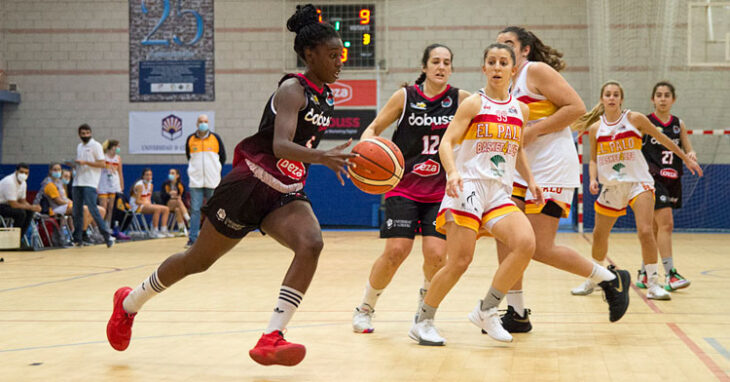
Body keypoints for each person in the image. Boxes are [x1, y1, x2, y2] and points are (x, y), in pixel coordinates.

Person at [106, 4, 353, 367]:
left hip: (285, 190)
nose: (339, 62)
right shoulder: (292, 90)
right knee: (197, 261)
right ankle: (129, 304)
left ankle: (272, 337)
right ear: (309, 54)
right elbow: (280, 145)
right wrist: (324, 158)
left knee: (311, 243)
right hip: (249, 184)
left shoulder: (327, 96)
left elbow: (294, 152)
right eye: (332, 56)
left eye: (341, 56)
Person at [493, 26, 630, 333]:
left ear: (525, 49)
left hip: (552, 167)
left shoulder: (536, 71)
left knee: (539, 247)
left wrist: (534, 131)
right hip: (520, 169)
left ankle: (609, 278)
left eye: (509, 44)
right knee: (508, 238)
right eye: (498, 44)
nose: (502, 49)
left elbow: (577, 108)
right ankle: (516, 312)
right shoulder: (504, 83)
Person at [409, 43, 542, 346]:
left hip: (499, 191)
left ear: (513, 69)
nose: (497, 67)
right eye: (491, 62)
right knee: (459, 261)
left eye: (503, 62)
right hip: (468, 185)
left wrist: (531, 180)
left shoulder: (521, 109)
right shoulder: (473, 104)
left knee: (525, 244)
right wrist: (453, 171)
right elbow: (447, 142)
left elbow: (517, 148)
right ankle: (423, 320)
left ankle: (487, 309)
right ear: (484, 69)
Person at [352, 44, 470, 334]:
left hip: (441, 191)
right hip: (403, 186)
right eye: (435, 62)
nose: (441, 67)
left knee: (436, 255)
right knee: (396, 250)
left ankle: (423, 309)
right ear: (424, 67)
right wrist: (366, 149)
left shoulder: (462, 99)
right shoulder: (405, 97)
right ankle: (365, 308)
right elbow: (374, 127)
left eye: (446, 62)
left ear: (451, 68)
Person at [570, 81, 702, 301]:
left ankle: (653, 284)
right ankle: (593, 279)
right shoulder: (596, 128)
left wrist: (685, 158)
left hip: (638, 182)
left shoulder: (635, 119)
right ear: (602, 99)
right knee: (599, 234)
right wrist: (592, 178)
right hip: (612, 186)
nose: (611, 98)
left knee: (645, 230)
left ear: (621, 99)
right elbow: (593, 159)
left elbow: (664, 139)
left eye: (615, 95)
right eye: (607, 94)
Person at [636, 81, 695, 292]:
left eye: (666, 95)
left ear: (673, 99)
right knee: (667, 224)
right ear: (653, 99)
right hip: (652, 179)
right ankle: (670, 274)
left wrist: (691, 155)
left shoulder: (679, 124)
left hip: (673, 179)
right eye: (658, 95)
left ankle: (644, 272)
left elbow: (687, 148)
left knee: (653, 228)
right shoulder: (644, 122)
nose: (662, 98)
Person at [34, 163, 106, 244]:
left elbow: (65, 198)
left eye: (59, 169)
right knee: (84, 209)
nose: (57, 171)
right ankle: (82, 234)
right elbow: (58, 201)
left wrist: (72, 202)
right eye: (55, 169)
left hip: (65, 206)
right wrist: (72, 203)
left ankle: (96, 233)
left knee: (101, 210)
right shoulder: (49, 184)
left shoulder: (59, 182)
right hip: (55, 208)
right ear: (50, 171)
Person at [185, 114, 226, 247]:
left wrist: (214, 171)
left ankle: (213, 238)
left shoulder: (216, 138)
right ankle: (193, 239)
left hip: (212, 181)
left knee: (213, 210)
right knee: (195, 210)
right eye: (201, 121)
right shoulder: (190, 139)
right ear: (197, 124)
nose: (203, 123)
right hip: (196, 181)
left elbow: (223, 157)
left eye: (206, 121)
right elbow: (189, 157)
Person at [73, 124, 114, 247]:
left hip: (90, 182)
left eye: (87, 133)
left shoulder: (96, 146)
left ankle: (107, 236)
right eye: (82, 133)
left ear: (90, 133)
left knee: (93, 209)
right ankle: (78, 239)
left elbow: (102, 164)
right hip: (78, 182)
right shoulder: (79, 146)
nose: (85, 135)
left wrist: (85, 162)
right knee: (77, 211)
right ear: (79, 134)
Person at [0, 163, 40, 244]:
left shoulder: (23, 183)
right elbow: (13, 204)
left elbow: (22, 201)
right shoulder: (9, 182)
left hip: (8, 205)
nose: (24, 175)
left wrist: (32, 207)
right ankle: (13, 240)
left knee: (30, 212)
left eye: (26, 173)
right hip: (2, 205)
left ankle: (19, 239)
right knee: (21, 213)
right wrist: (31, 207)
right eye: (22, 172)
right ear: (16, 172)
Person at [129, 168, 171, 238]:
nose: (149, 177)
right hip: (136, 206)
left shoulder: (151, 185)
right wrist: (147, 204)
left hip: (145, 205)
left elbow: (148, 199)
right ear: (143, 176)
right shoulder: (139, 185)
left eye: (150, 175)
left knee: (166, 209)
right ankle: (154, 232)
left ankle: (163, 230)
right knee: (157, 209)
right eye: (147, 175)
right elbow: (137, 201)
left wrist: (150, 204)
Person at [98, 140, 124, 232]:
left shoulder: (118, 158)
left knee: (111, 207)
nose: (118, 148)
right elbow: (97, 172)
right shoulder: (103, 157)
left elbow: (120, 172)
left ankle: (108, 226)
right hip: (103, 183)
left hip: (114, 184)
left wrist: (121, 185)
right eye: (116, 146)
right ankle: (100, 227)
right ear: (111, 147)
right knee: (103, 206)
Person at [160, 168, 190, 234]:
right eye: (170, 173)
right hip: (167, 204)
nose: (170, 175)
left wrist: (178, 197)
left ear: (177, 176)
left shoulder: (181, 185)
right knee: (178, 202)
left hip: (178, 204)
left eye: (173, 173)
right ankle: (188, 219)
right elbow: (162, 196)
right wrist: (170, 195)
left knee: (177, 209)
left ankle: (182, 231)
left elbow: (184, 197)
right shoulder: (165, 184)